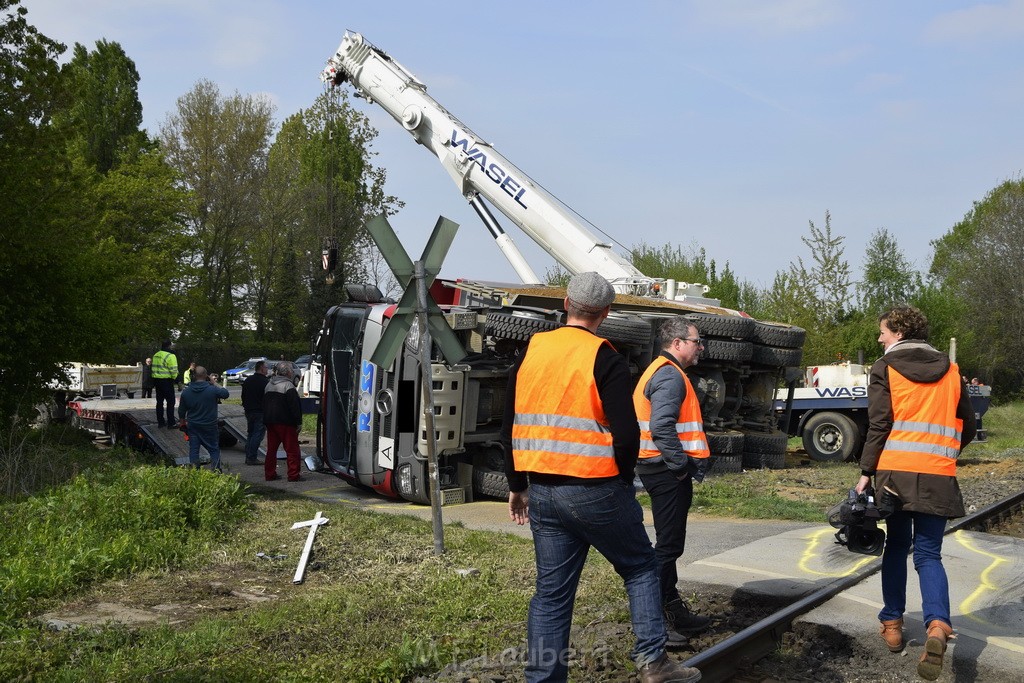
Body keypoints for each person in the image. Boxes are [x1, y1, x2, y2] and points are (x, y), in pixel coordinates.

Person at [501, 271, 701, 683]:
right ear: (606, 313)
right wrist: (622, 481)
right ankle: (653, 662)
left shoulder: (532, 350)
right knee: (641, 567)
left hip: (542, 489)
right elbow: (626, 434)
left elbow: (509, 424)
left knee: (552, 594)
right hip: (595, 487)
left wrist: (517, 485)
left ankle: (543, 678)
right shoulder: (604, 356)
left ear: (565, 306)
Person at [855, 305, 975, 681]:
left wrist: (864, 474)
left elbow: (879, 424)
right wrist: (945, 453)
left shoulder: (884, 367)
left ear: (899, 332)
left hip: (895, 475)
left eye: (883, 332)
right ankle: (938, 624)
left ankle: (892, 623)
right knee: (928, 554)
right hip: (938, 474)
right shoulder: (951, 369)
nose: (879, 338)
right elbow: (968, 424)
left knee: (896, 546)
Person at [633, 317, 712, 644]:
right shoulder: (670, 376)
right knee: (667, 547)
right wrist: (680, 467)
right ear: (677, 343)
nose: (700, 348)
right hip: (666, 471)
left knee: (669, 544)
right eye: (696, 342)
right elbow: (661, 426)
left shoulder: (660, 371)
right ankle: (655, 623)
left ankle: (673, 609)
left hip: (658, 468)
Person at [177, 366, 230, 470]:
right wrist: (214, 382)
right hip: (210, 425)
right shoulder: (212, 389)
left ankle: (194, 471)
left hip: (193, 426)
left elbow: (181, 410)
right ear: (206, 376)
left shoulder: (186, 392)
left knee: (194, 449)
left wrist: (182, 423)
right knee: (214, 449)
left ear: (194, 376)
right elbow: (226, 394)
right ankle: (216, 471)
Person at [263, 361, 303, 482]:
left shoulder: (269, 385)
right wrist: (299, 422)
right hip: (286, 422)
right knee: (292, 450)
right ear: (288, 373)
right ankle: (293, 475)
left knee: (271, 450)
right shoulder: (288, 386)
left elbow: (264, 403)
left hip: (270, 421)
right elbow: (294, 406)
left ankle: (269, 474)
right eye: (291, 371)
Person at [241, 360, 269, 466]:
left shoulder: (248, 380)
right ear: (262, 368)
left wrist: (245, 406)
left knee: (251, 434)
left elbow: (243, 395)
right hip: (260, 412)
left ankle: (248, 456)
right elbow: (267, 398)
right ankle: (252, 457)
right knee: (258, 435)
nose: (267, 370)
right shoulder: (265, 382)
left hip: (249, 411)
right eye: (266, 368)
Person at [152, 340, 179, 428]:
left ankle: (161, 422)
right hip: (167, 381)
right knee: (170, 402)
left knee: (159, 402)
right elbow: (173, 369)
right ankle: (171, 423)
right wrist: (176, 379)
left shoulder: (156, 355)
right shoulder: (171, 355)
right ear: (169, 346)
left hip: (157, 381)